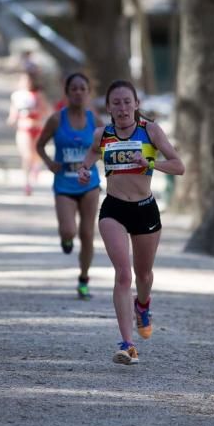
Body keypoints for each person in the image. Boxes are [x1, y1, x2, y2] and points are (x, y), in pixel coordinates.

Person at [78, 79, 185, 364]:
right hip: (113, 209)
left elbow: (179, 166)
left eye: (127, 101)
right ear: (109, 107)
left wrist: (149, 164)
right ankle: (127, 344)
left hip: (145, 210)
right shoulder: (102, 134)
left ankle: (143, 304)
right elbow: (91, 154)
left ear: (136, 104)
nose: (122, 107)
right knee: (123, 275)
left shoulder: (150, 130)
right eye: (116, 103)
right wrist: (85, 169)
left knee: (144, 276)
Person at [36, 73, 103, 300]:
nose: (78, 92)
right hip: (64, 182)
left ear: (88, 92)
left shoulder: (94, 121)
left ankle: (83, 280)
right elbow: (40, 144)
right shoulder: (56, 120)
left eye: (82, 88)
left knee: (87, 234)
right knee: (69, 231)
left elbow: (109, 144)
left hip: (90, 184)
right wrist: (49, 162)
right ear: (67, 92)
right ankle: (65, 239)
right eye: (73, 88)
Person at [7, 73, 50, 195]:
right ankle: (27, 183)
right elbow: (13, 114)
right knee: (26, 156)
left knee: (36, 155)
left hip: (36, 128)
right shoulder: (16, 96)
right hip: (23, 129)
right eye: (24, 81)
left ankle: (36, 168)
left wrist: (33, 111)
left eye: (28, 81)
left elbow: (46, 110)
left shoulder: (38, 95)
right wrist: (13, 119)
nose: (26, 83)